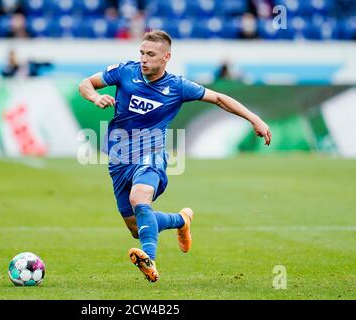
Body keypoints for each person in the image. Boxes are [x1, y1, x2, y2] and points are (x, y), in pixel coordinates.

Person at [78, 30, 272, 282]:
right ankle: (180, 220)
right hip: (119, 157)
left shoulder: (177, 86)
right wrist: (95, 97)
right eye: (142, 53)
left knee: (139, 198)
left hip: (152, 153)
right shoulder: (125, 71)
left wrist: (254, 119)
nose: (144, 59)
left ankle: (149, 260)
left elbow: (219, 98)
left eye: (150, 54)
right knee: (136, 228)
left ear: (166, 57)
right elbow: (86, 83)